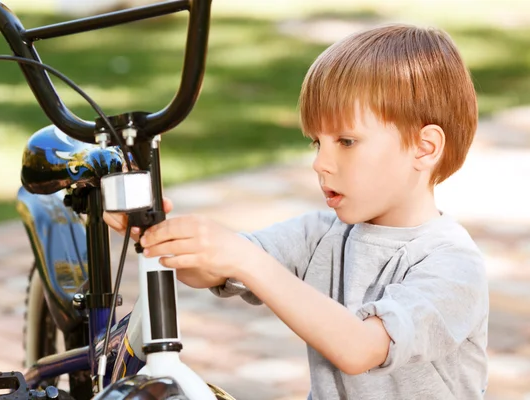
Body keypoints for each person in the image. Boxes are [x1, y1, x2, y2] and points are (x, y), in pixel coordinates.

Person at [104, 23, 489, 400]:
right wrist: (156, 233)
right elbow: (212, 270)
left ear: (424, 148)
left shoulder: (453, 266)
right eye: (316, 143)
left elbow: (360, 349)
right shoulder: (321, 233)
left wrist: (244, 259)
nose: (321, 163)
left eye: (346, 141)